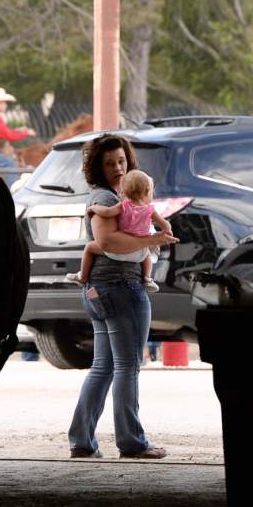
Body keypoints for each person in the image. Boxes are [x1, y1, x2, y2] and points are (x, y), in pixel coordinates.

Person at [67, 134, 179, 460]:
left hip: (101, 291)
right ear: (97, 168)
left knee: (103, 367)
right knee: (128, 367)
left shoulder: (120, 196)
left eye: (121, 161)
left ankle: (82, 441)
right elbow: (108, 244)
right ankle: (132, 441)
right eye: (109, 163)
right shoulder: (103, 198)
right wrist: (154, 238)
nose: (118, 168)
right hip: (120, 290)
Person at [64, 170, 170, 293]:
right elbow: (164, 225)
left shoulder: (123, 205)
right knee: (146, 254)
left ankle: (82, 276)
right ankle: (147, 278)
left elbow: (107, 212)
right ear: (147, 192)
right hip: (139, 253)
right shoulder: (150, 210)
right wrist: (165, 235)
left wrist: (93, 208)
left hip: (117, 251)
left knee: (89, 247)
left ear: (124, 192)